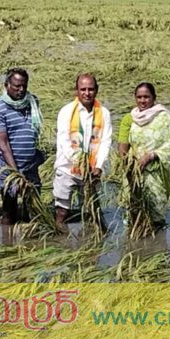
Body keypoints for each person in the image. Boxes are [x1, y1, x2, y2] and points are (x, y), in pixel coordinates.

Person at [54, 73, 112, 228]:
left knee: (91, 209)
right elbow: (64, 142)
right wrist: (80, 162)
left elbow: (106, 141)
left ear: (97, 90)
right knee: (62, 210)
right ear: (77, 90)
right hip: (67, 169)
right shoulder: (66, 112)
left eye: (91, 89)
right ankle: (61, 240)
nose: (87, 93)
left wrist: (98, 166)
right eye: (83, 89)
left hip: (92, 172)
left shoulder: (104, 113)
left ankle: (91, 245)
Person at [0, 68, 44, 225]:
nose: (21, 90)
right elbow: (3, 144)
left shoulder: (33, 102)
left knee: (33, 207)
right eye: (17, 86)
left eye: (24, 86)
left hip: (30, 164)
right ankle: (7, 242)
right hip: (8, 168)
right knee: (9, 210)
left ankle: (31, 241)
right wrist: (16, 174)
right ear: (7, 85)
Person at [118, 82, 170, 227]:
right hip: (134, 172)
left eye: (146, 97)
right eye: (139, 97)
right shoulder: (129, 118)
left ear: (154, 98)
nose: (142, 101)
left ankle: (158, 245)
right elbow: (122, 144)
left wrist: (151, 156)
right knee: (134, 211)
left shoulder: (163, 118)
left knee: (156, 214)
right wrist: (128, 164)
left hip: (155, 173)